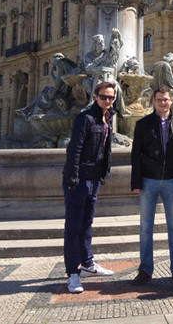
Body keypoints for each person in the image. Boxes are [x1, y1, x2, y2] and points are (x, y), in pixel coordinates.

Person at [131, 86, 173, 284]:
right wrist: (136, 181)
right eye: (159, 99)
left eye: (166, 99)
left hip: (172, 180)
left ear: (171, 101)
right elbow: (135, 155)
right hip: (149, 179)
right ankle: (145, 270)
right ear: (153, 101)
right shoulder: (143, 124)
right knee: (146, 228)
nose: (163, 103)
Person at [62, 81, 117, 294]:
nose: (107, 101)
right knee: (74, 226)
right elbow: (74, 149)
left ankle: (87, 263)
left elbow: (106, 147)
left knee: (87, 223)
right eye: (104, 97)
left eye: (111, 97)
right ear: (95, 96)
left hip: (93, 179)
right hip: (79, 179)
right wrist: (73, 179)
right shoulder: (85, 118)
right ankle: (73, 273)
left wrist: (104, 172)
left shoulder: (107, 117)